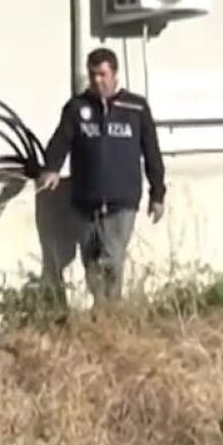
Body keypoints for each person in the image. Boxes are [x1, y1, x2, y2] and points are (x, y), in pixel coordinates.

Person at [36, 47, 167, 306]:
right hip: (85, 201)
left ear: (115, 74)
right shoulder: (77, 108)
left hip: (122, 201)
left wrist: (157, 194)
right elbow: (61, 140)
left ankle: (111, 310)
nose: (98, 81)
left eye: (103, 74)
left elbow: (152, 152)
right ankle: (102, 310)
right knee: (91, 263)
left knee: (111, 259)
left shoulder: (135, 108)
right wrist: (51, 169)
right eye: (93, 75)